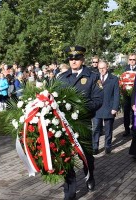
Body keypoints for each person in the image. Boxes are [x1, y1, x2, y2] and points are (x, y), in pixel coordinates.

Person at [58, 45, 103, 200]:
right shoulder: (62, 78)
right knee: (67, 156)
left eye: (76, 58)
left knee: (86, 155)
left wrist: (81, 109)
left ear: (82, 59)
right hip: (64, 124)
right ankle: (69, 192)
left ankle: (89, 175)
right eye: (71, 58)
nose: (73, 61)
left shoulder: (92, 76)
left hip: (83, 123)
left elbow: (98, 100)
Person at [92, 61, 120, 155]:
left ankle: (107, 146)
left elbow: (116, 94)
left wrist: (115, 107)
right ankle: (95, 146)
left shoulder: (114, 79)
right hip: (97, 108)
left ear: (107, 67)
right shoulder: (95, 78)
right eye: (100, 68)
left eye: (103, 68)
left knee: (108, 129)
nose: (101, 70)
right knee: (96, 128)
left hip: (109, 107)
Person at [123, 53, 136, 137]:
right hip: (126, 95)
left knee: (135, 112)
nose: (132, 61)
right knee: (126, 112)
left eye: (134, 59)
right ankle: (126, 129)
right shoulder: (125, 69)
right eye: (130, 59)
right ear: (128, 60)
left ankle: (134, 128)